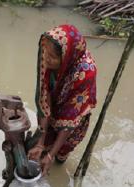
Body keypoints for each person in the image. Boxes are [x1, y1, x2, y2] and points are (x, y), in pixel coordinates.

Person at [27, 24, 97, 176]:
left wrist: (51, 155)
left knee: (61, 152)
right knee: (42, 144)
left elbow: (70, 120)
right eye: (46, 53)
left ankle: (57, 159)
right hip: (53, 108)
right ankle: (44, 151)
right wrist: (40, 143)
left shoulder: (85, 73)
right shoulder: (46, 56)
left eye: (52, 57)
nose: (46, 59)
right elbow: (44, 98)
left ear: (66, 57)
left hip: (74, 118)